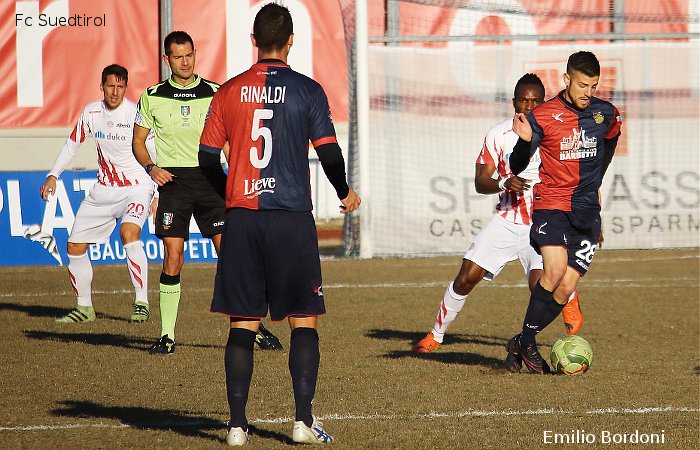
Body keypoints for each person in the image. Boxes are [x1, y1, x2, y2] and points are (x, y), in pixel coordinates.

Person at [198, 3, 361, 445]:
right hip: (290, 218)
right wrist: (344, 191)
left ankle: (235, 427)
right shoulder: (307, 90)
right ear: (291, 41)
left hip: (243, 219)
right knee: (303, 320)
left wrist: (229, 192)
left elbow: (206, 159)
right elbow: (328, 152)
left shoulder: (228, 91)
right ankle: (303, 422)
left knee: (242, 323)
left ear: (254, 40)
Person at [132, 31, 281, 354]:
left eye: (189, 55)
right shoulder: (152, 95)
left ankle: (252, 326)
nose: (185, 62)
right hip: (173, 184)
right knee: (173, 258)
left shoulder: (216, 92)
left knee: (231, 257)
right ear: (166, 59)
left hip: (211, 179)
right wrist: (151, 168)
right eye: (177, 57)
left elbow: (229, 142)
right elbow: (138, 142)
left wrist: (239, 176)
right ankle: (167, 335)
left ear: (195, 54)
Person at [412, 74, 583, 355]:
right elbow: (481, 182)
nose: (529, 106)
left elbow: (573, 175)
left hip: (541, 223)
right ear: (513, 101)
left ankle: (568, 298)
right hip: (506, 221)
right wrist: (504, 183)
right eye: (523, 100)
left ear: (544, 103)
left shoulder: (555, 134)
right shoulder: (498, 134)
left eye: (536, 101)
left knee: (539, 287)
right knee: (467, 275)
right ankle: (436, 335)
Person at [505, 51, 622, 374]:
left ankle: (520, 341)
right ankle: (529, 343)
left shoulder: (606, 113)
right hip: (552, 204)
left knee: (566, 287)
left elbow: (611, 140)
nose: (588, 92)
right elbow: (517, 165)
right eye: (583, 85)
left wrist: (596, 178)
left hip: (587, 210)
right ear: (567, 79)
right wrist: (524, 143)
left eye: (594, 86)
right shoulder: (543, 116)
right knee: (553, 272)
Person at [41, 64, 156, 324]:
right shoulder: (92, 112)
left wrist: (157, 192)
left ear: (126, 87)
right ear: (101, 86)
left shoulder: (136, 114)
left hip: (137, 186)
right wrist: (53, 175)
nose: (114, 92)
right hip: (103, 189)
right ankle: (84, 308)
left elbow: (153, 152)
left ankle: (141, 302)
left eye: (120, 86)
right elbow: (73, 144)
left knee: (129, 234)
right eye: (110, 86)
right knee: (74, 246)